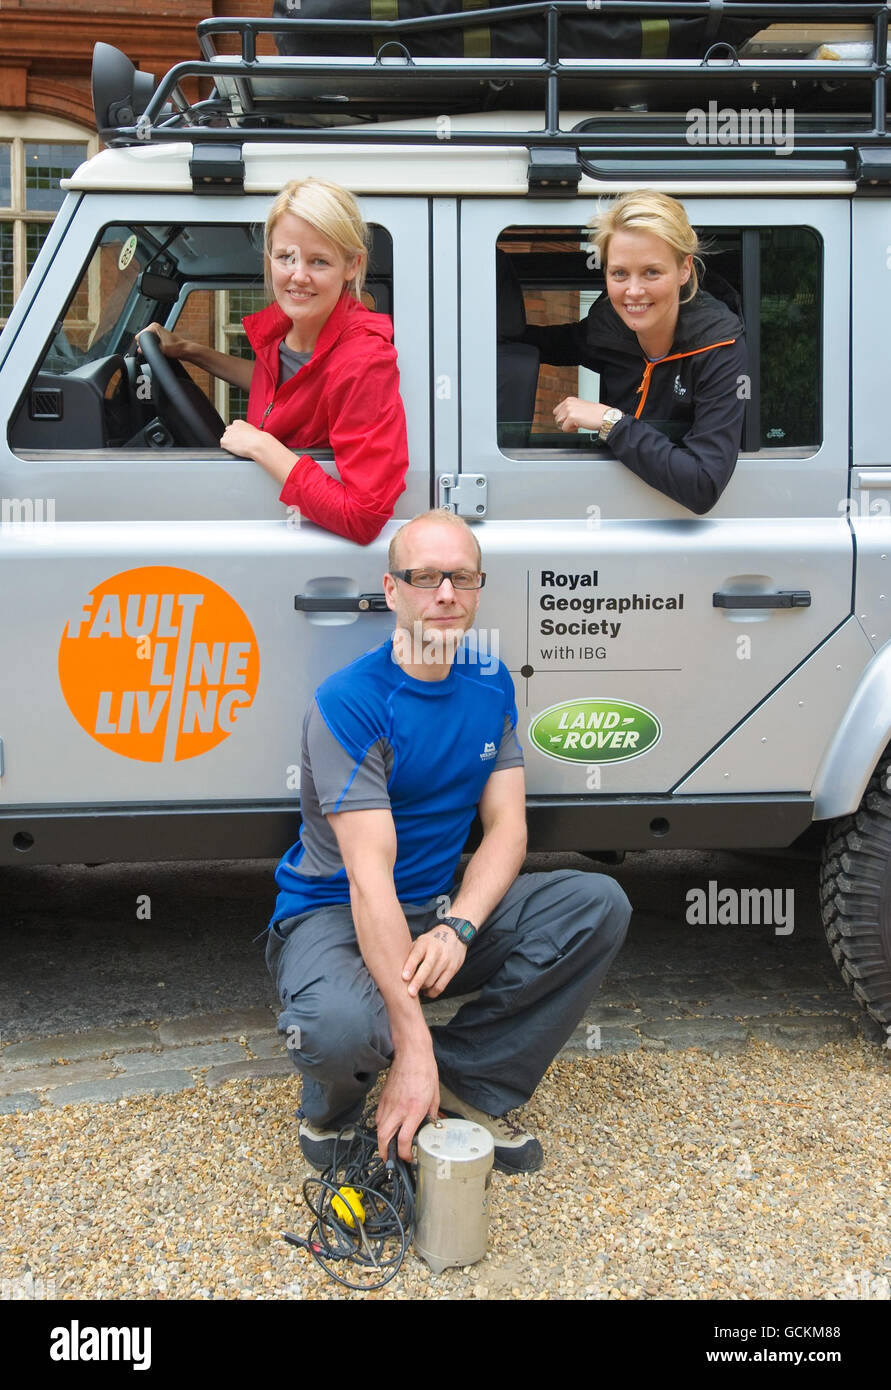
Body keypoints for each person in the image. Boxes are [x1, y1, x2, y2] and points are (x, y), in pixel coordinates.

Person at [265, 507, 631, 1174]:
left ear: (477, 590)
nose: (444, 594)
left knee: (596, 903)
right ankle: (336, 1110)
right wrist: (411, 1045)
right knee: (339, 1029)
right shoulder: (350, 700)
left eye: (460, 578)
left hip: (435, 913)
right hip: (336, 914)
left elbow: (507, 830)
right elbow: (367, 877)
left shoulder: (489, 685)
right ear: (391, 589)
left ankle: (464, 1084)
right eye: (425, 576)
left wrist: (457, 928)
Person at [139, 177, 409, 544]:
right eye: (286, 257)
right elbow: (279, 387)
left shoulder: (363, 361)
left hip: (312, 544)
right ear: (270, 259)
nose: (298, 275)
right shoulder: (289, 329)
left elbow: (363, 517)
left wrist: (261, 446)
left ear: (351, 265)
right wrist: (189, 350)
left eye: (319, 261)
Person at [521, 189, 747, 514]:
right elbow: (555, 342)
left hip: (678, 526)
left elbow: (703, 484)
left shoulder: (719, 346)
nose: (633, 291)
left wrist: (610, 421)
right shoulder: (608, 329)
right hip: (609, 510)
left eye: (651, 272)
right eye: (619, 273)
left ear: (684, 270)